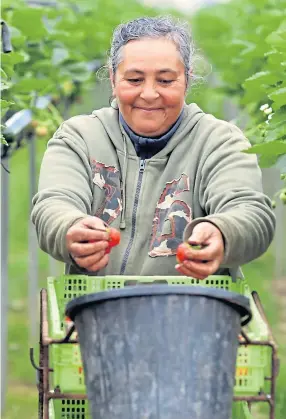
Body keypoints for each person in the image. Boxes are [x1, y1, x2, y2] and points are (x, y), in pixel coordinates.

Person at [31, 16, 275, 280]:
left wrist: (223, 233)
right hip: (95, 310)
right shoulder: (78, 137)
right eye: (134, 80)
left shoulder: (219, 141)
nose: (149, 94)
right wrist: (70, 227)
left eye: (166, 81)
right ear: (113, 79)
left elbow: (250, 211)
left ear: (187, 80)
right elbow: (53, 205)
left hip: (199, 311)